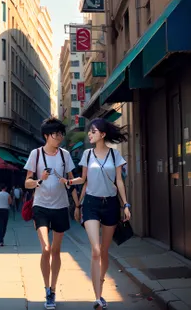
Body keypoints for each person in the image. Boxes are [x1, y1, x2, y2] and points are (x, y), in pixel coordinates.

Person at [64, 118, 130, 309]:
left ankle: (100, 278)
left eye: (93, 131)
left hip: (110, 204)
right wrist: (68, 182)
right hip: (91, 203)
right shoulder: (87, 154)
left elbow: (119, 181)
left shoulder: (115, 155)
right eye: (89, 131)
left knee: (105, 250)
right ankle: (98, 297)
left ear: (102, 134)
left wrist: (125, 204)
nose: (90, 134)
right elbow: (83, 179)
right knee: (95, 250)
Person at [24, 116, 80, 310]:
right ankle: (47, 289)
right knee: (46, 249)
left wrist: (78, 206)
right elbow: (27, 182)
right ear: (47, 136)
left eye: (61, 134)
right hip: (41, 207)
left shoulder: (65, 155)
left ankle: (53, 289)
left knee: (56, 251)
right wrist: (40, 179)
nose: (60, 137)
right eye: (56, 134)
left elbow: (72, 182)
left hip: (61, 207)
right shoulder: (36, 154)